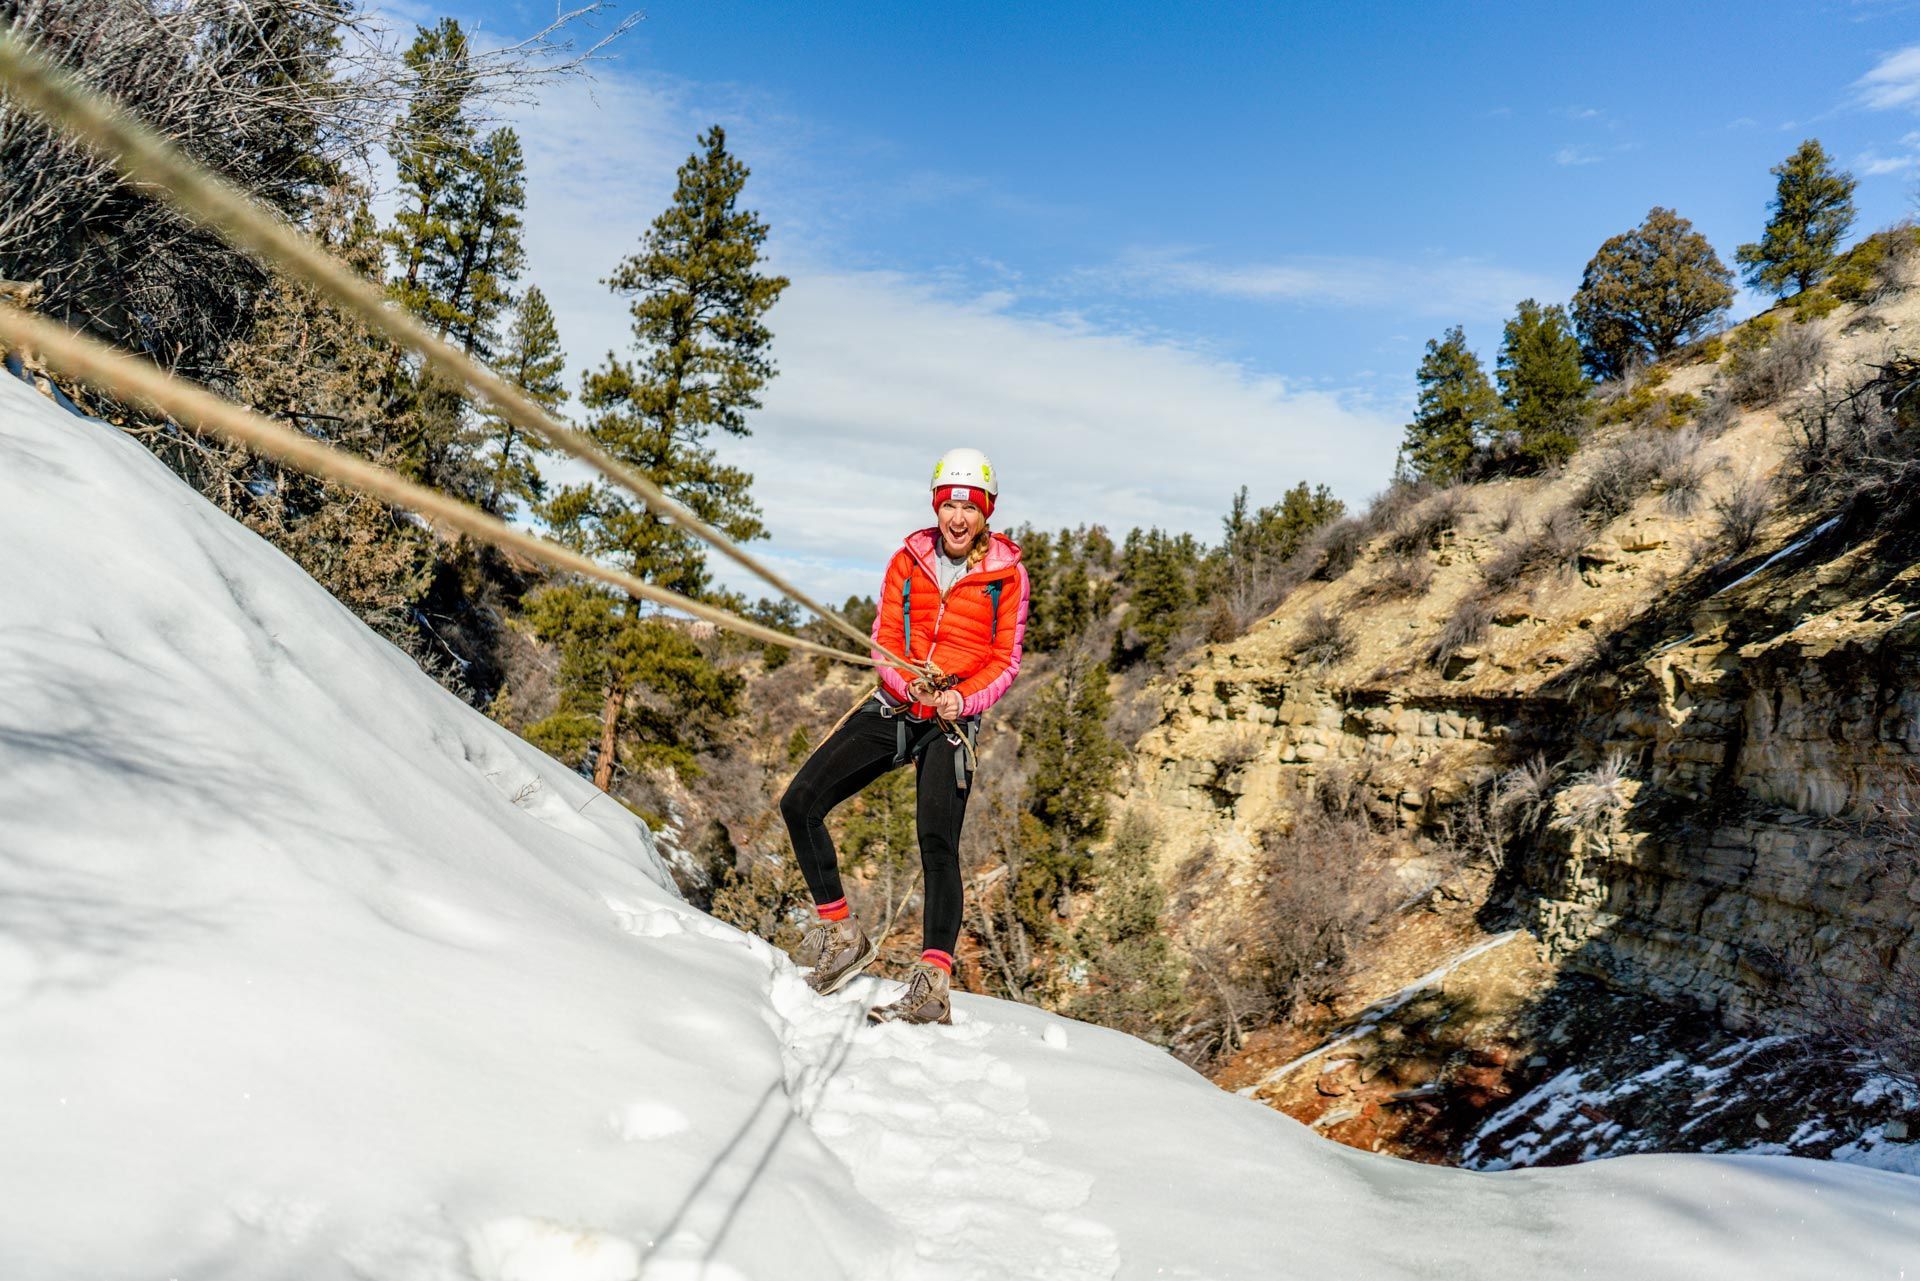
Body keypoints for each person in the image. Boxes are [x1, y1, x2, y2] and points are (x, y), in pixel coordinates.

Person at [778, 448, 1030, 1025]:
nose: (959, 518)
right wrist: (907, 680)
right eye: (950, 505)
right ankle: (840, 933)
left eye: (971, 507)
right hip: (898, 704)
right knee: (801, 801)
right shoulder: (907, 561)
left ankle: (932, 982)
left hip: (951, 721)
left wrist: (961, 700)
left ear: (987, 512)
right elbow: (884, 636)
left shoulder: (1007, 578)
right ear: (937, 507)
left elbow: (1004, 661)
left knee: (937, 842)